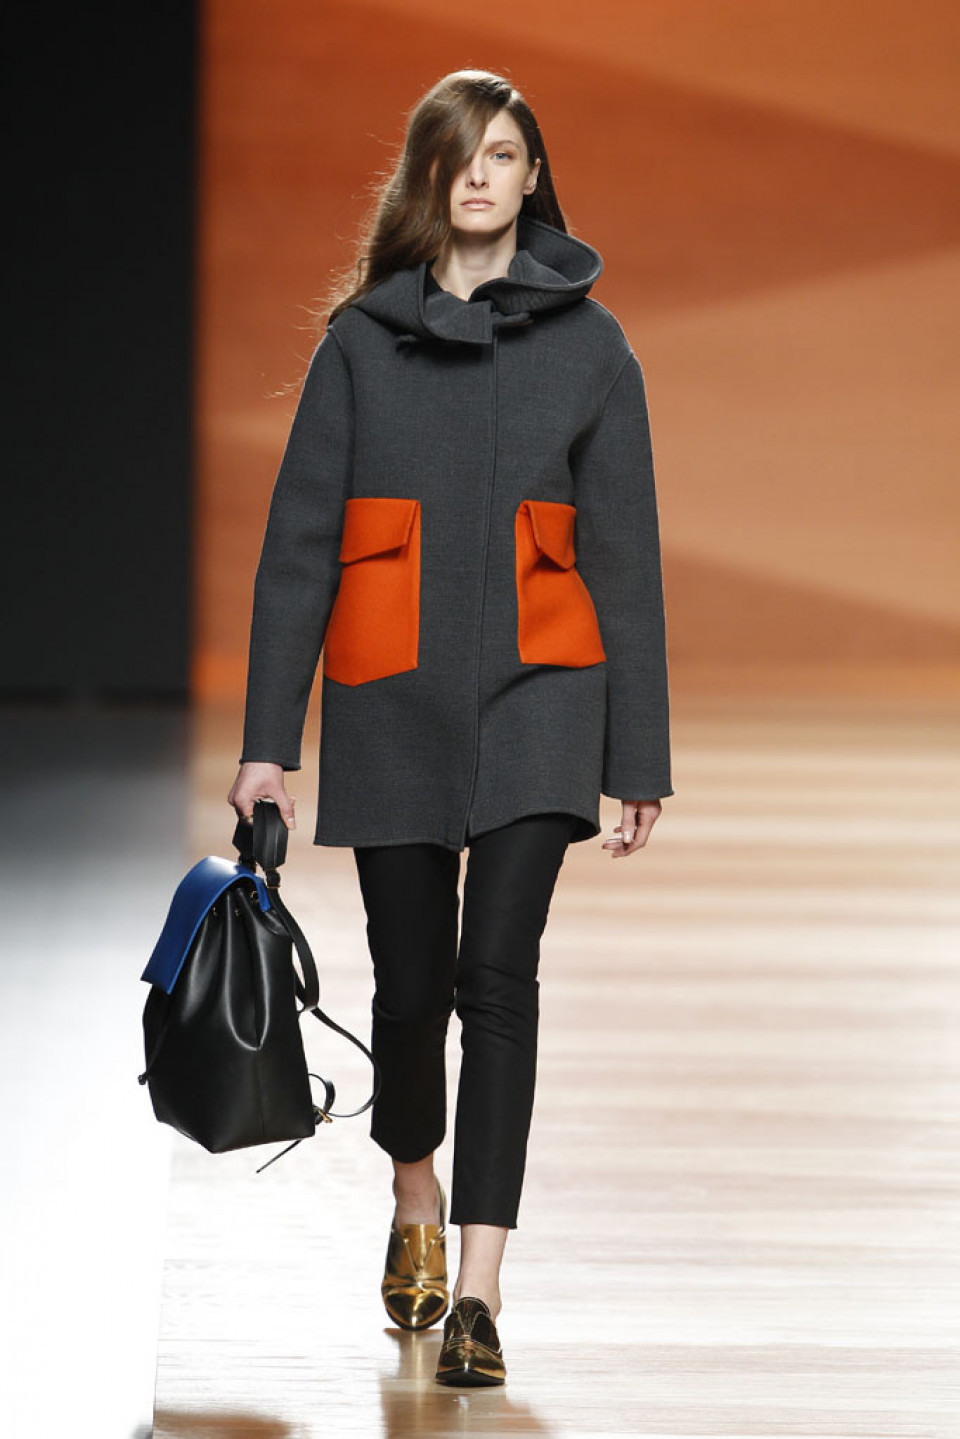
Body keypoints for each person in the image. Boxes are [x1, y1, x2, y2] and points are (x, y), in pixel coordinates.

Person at [227, 68, 673, 1387]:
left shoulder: (593, 349)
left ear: (533, 177)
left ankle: (478, 1288)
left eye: (505, 155)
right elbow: (297, 554)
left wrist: (637, 754)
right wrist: (268, 743)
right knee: (411, 987)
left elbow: (627, 562)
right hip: (392, 696)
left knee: (499, 977)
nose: (481, 175)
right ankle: (413, 1190)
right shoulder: (361, 345)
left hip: (545, 695)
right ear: (429, 176)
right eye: (460, 155)